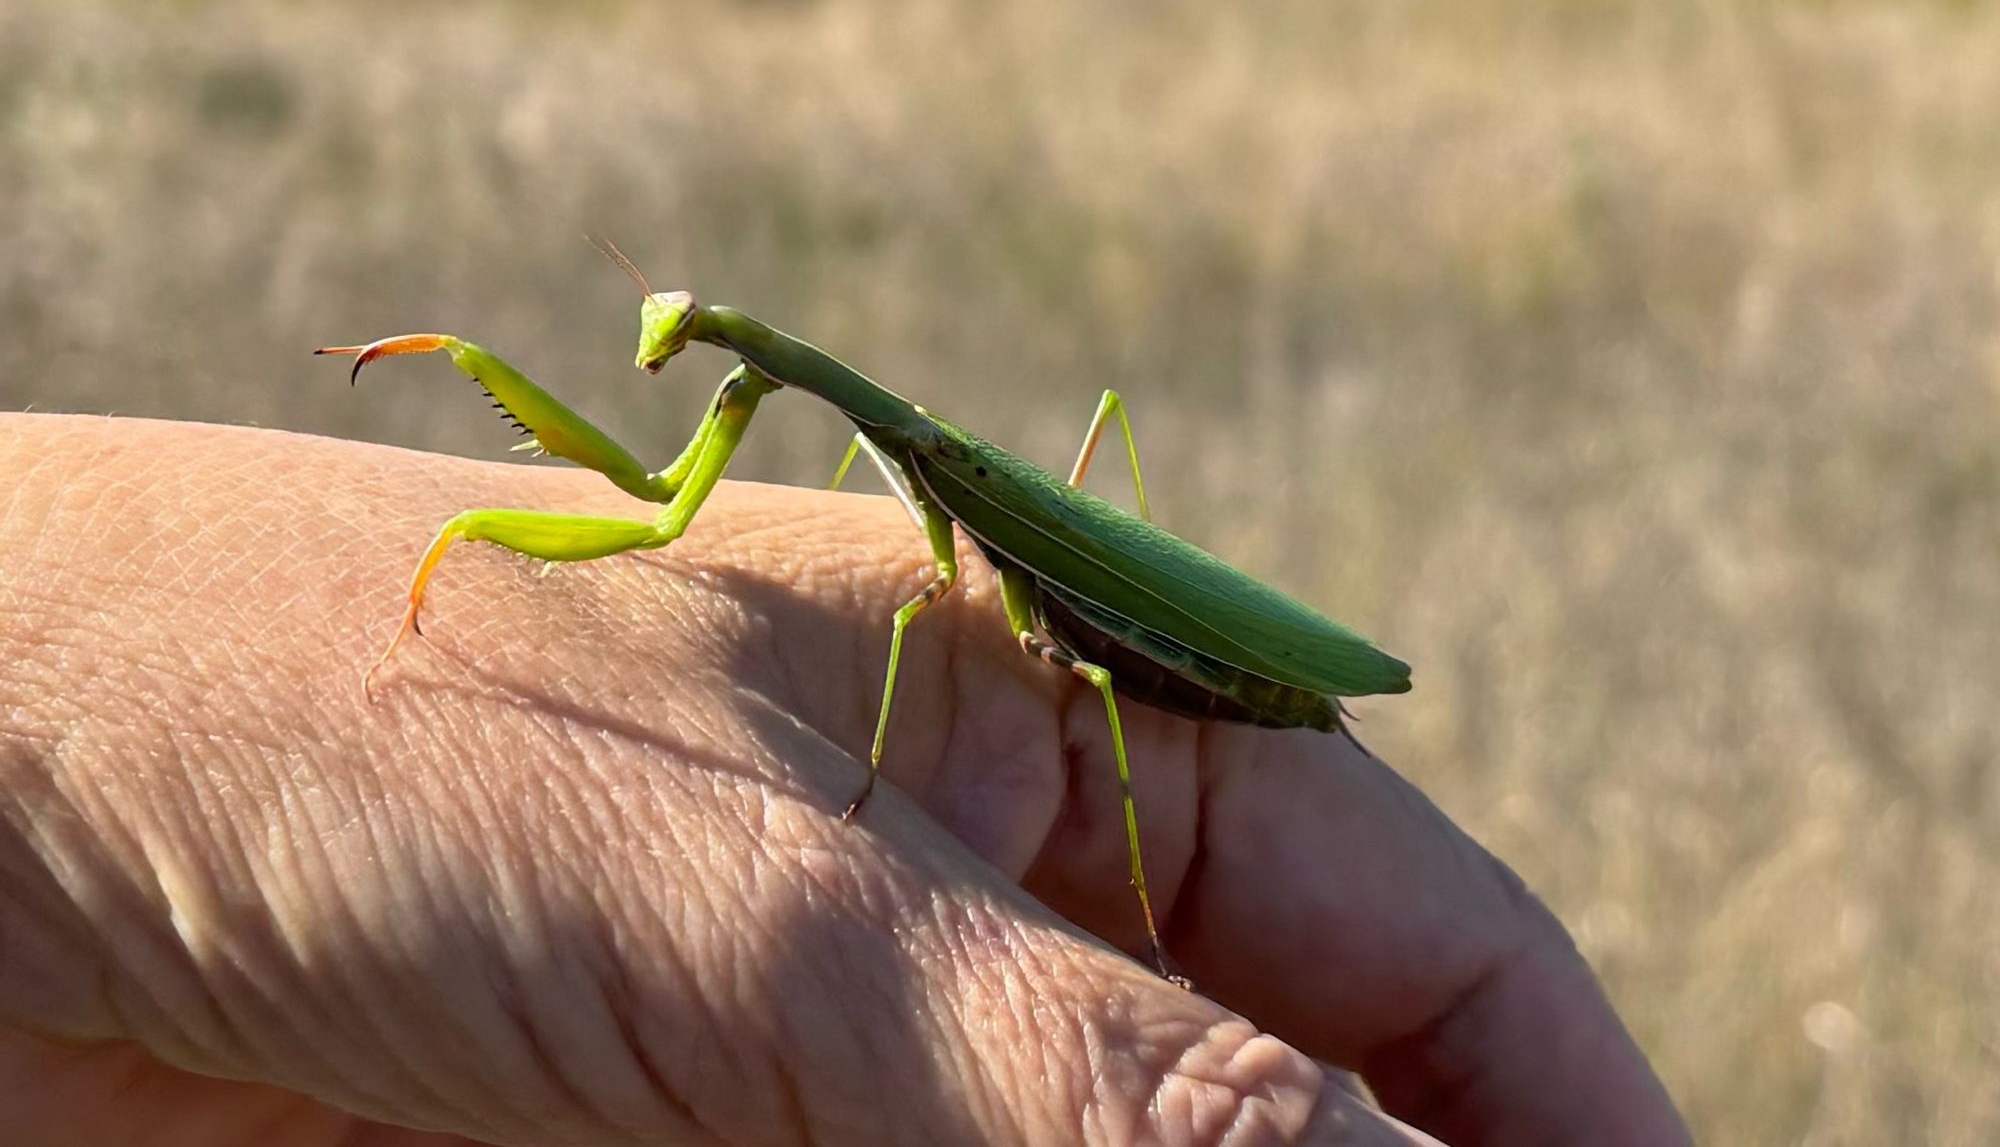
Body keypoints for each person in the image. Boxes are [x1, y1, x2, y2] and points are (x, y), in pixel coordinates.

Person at [0, 414, 1689, 1146]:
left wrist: (876, 783)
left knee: (1063, 676)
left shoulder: (925, 466)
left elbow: (658, 513)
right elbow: (673, 519)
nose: (668, 355)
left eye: (689, 340)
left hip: (1181, 647)